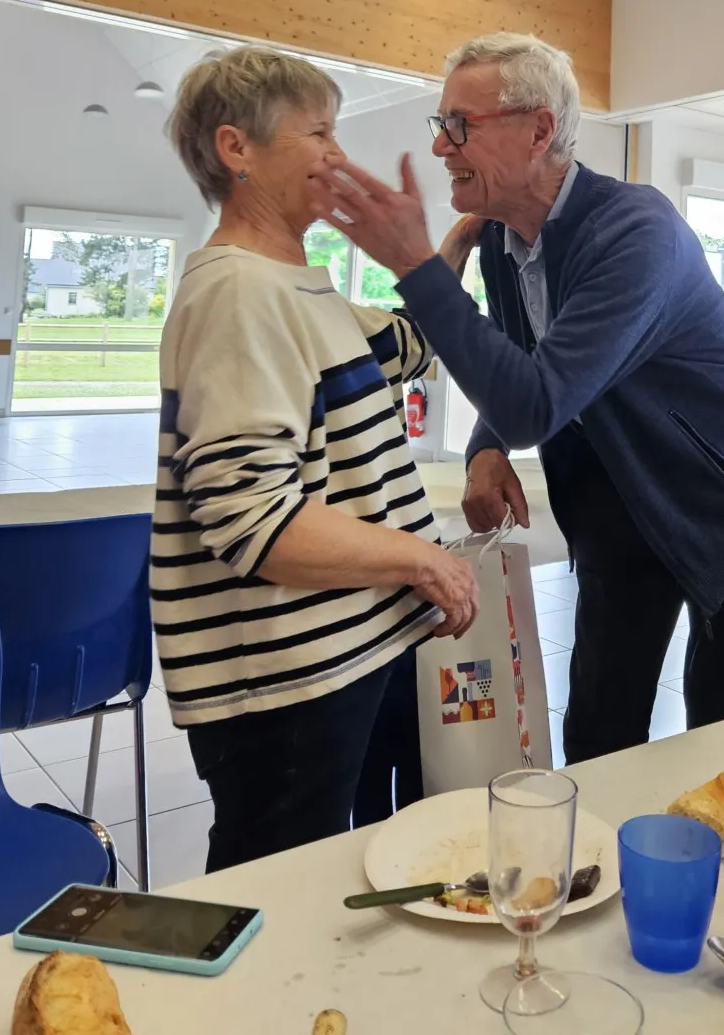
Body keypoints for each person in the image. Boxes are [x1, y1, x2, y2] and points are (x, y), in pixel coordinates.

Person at [309, 32, 724, 764]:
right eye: (442, 124)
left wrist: (416, 263)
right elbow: (528, 366)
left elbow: (535, 402)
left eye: (460, 125)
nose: (442, 146)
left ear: (540, 130)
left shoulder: (637, 231)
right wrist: (485, 446)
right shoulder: (502, 240)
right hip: (617, 493)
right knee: (602, 723)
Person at [158, 46, 479, 871]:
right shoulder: (238, 293)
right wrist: (422, 558)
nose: (339, 155)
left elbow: (410, 344)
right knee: (277, 885)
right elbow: (254, 521)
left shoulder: (298, 286)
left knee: (342, 870)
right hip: (289, 680)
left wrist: (449, 243)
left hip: (347, 652)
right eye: (320, 133)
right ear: (237, 148)